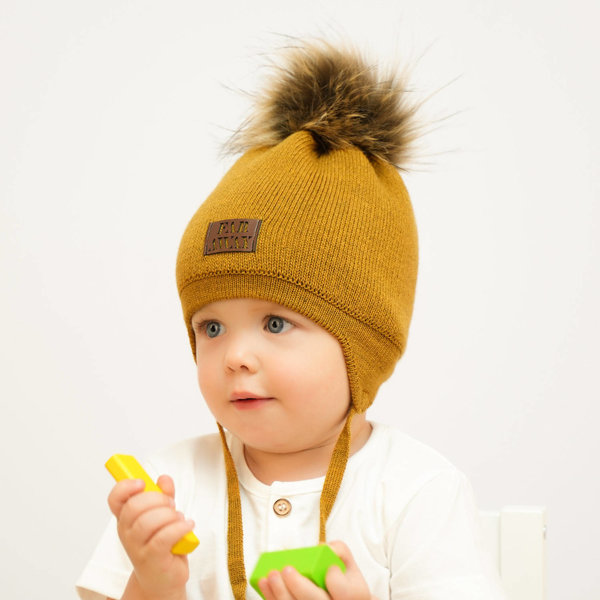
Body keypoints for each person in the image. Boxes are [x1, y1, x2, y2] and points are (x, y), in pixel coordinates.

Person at [76, 37, 506, 600]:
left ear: (363, 347)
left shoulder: (416, 491)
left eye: (276, 324)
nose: (235, 355)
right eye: (211, 328)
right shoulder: (168, 488)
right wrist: (153, 580)